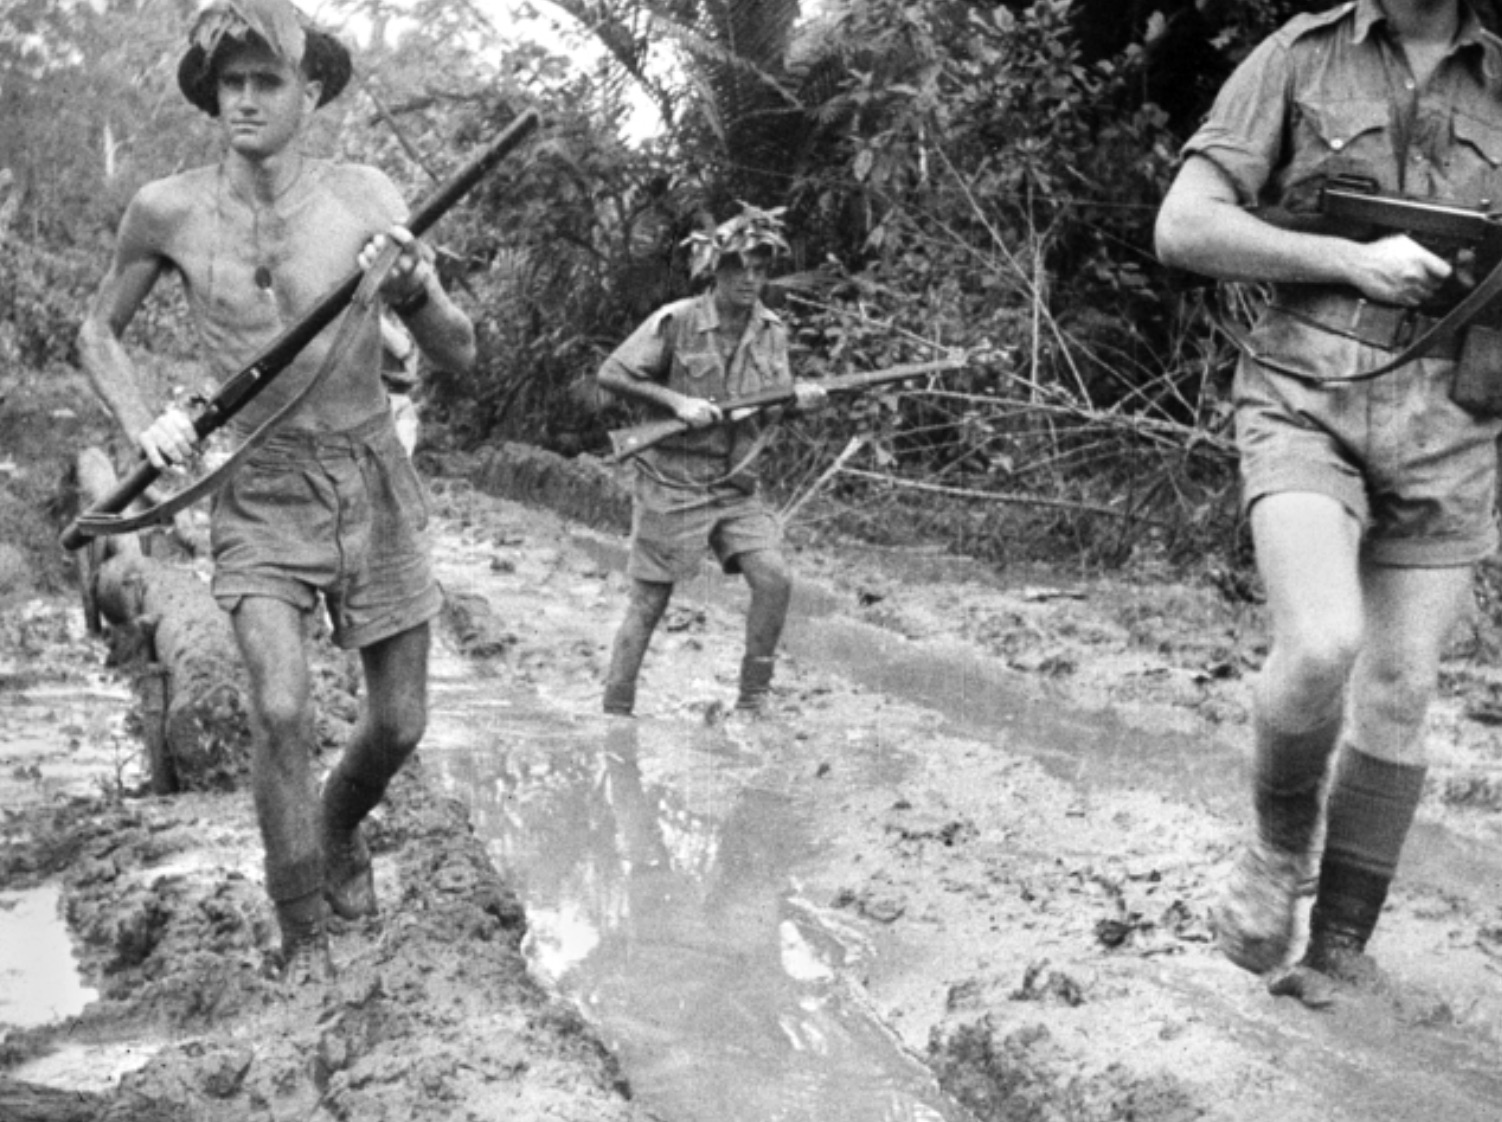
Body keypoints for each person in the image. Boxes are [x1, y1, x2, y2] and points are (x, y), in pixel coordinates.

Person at [77, 0, 476, 982]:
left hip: (370, 477)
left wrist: (412, 291)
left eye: (267, 81)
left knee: (398, 724)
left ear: (312, 92)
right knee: (284, 709)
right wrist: (146, 426)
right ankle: (304, 940)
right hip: (255, 489)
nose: (245, 100)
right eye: (231, 83)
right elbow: (95, 334)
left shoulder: (366, 196)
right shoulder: (167, 208)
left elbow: (459, 352)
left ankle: (335, 826)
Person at [1155, 0, 1502, 1006]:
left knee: (1397, 689)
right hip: (1304, 394)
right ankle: (1273, 848)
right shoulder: (1296, 60)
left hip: (1455, 415)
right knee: (1317, 645)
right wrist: (1346, 259)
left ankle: (1337, 946)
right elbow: (1184, 225)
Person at [598, 205, 826, 717]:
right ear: (715, 270)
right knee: (649, 604)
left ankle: (753, 700)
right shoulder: (676, 321)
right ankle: (616, 712)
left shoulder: (772, 332)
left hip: (735, 484)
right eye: (739, 267)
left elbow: (768, 410)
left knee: (774, 579)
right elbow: (611, 372)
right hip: (673, 481)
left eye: (761, 269)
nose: (750, 279)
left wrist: (798, 404)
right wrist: (676, 403)